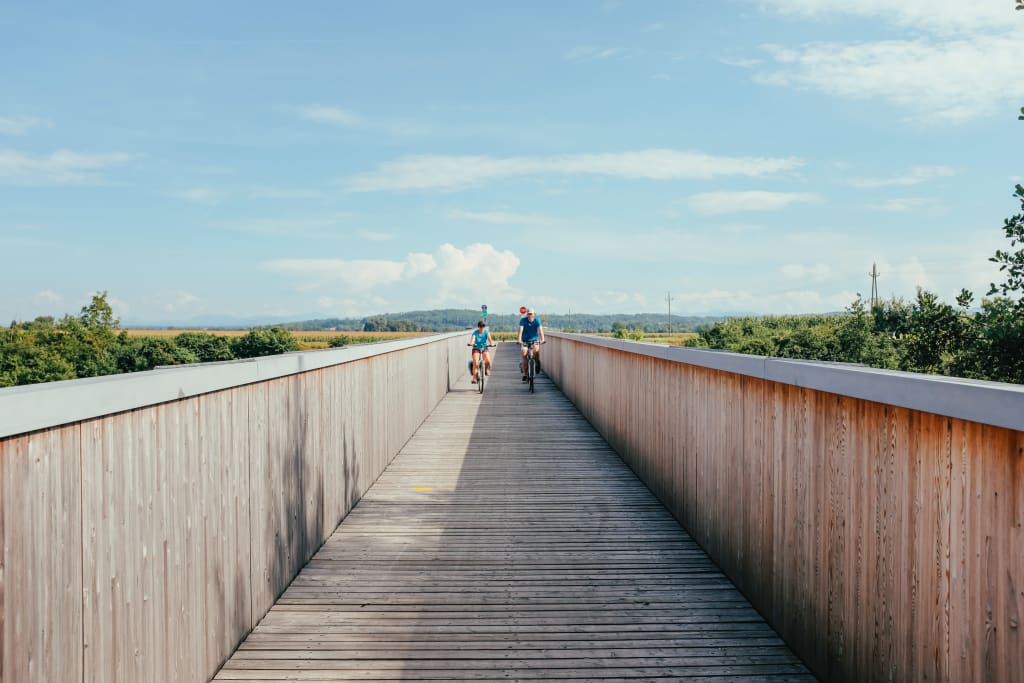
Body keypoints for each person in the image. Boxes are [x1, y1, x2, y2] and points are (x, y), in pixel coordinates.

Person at [517, 308, 545, 381]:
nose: (530, 315)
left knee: (536, 352)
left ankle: (537, 363)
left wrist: (542, 339)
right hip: (525, 340)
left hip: (534, 340)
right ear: (527, 314)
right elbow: (520, 330)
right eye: (529, 314)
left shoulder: (537, 320)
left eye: (531, 314)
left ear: (534, 314)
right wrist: (519, 340)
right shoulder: (523, 320)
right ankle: (525, 374)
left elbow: (540, 330)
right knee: (524, 354)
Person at [469, 320, 493, 384]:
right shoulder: (475, 333)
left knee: (487, 360)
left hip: (484, 347)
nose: (482, 328)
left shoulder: (486, 332)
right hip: (476, 348)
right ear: (478, 327)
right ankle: (474, 378)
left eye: (483, 326)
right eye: (480, 326)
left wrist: (491, 343)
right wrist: (471, 343)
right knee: (476, 363)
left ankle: (486, 369)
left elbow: (490, 339)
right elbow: (473, 339)